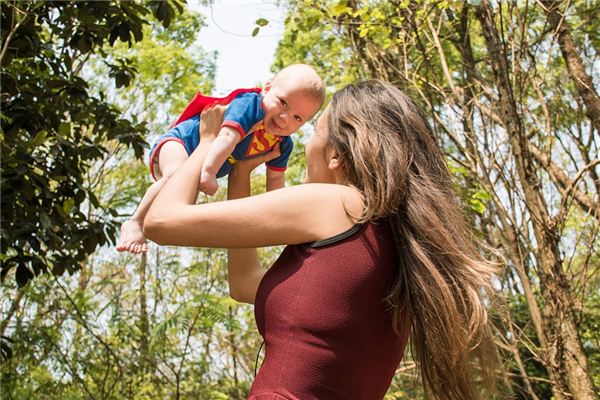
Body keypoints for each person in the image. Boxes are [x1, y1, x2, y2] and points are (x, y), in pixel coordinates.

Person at [143, 80, 498, 400]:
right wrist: (241, 172)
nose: (303, 141)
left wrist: (207, 141)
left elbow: (161, 221)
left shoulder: (339, 203)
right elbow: (245, 283)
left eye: (314, 131)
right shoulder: (390, 242)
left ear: (336, 155)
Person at [116, 63, 325, 254]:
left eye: (297, 117)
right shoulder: (250, 106)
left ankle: (153, 224)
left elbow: (276, 181)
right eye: (283, 103)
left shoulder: (282, 144)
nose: (284, 118)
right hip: (182, 142)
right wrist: (208, 171)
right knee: (174, 175)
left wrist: (282, 216)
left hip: (201, 162)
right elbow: (227, 136)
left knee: (182, 204)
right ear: (267, 89)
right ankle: (135, 221)